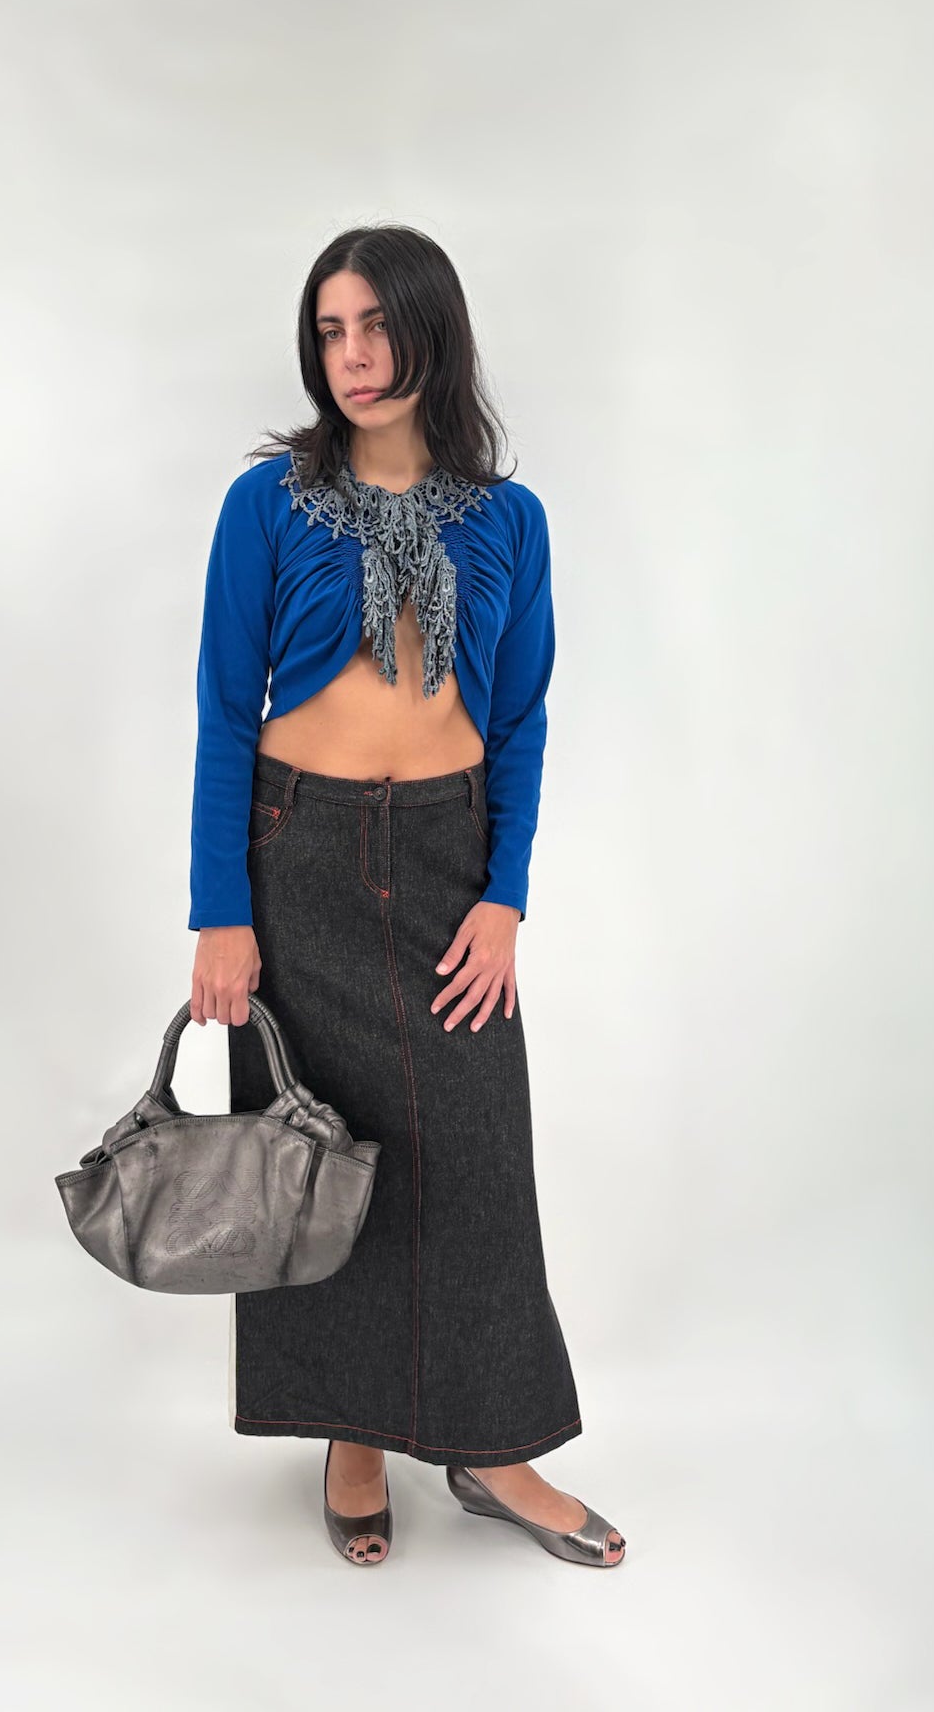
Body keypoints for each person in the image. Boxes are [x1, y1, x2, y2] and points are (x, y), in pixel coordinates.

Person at [186, 224, 625, 1570]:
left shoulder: (509, 519)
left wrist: (504, 898)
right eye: (330, 331)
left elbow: (522, 717)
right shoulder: (266, 504)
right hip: (298, 852)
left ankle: (491, 1449)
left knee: (476, 1163)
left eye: (375, 324)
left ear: (432, 328)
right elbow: (223, 709)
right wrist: (220, 912)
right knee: (320, 1160)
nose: (354, 356)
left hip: (446, 857)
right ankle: (353, 1436)